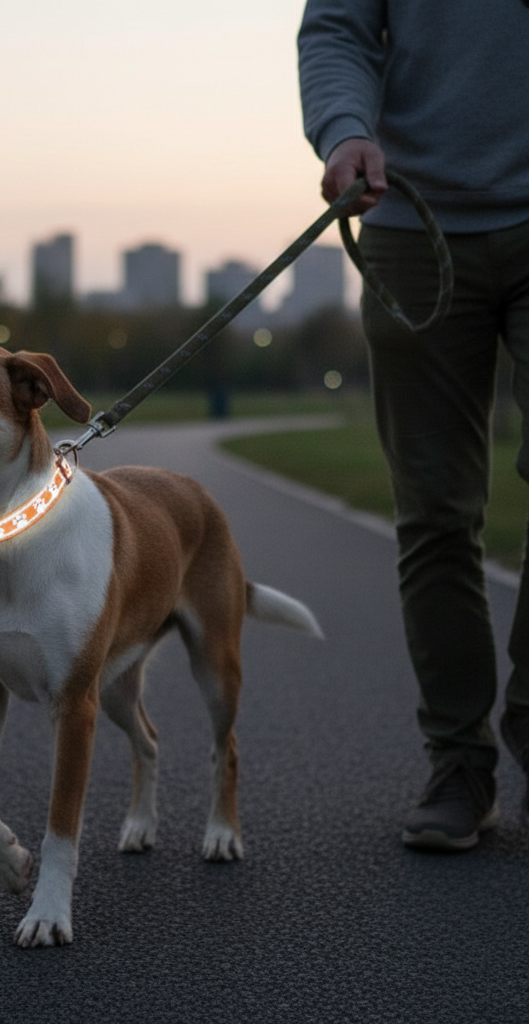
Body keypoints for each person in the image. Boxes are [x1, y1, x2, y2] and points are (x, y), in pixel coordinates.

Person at [298, 0, 529, 851]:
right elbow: (336, 29)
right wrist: (344, 130)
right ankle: (460, 762)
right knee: (435, 512)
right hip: (410, 221)